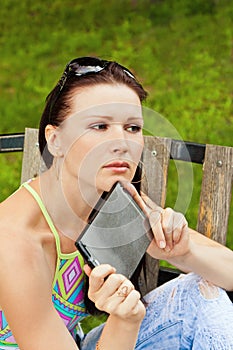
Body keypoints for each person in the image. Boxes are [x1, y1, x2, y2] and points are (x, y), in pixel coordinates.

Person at [0, 56, 232, 350]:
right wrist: (125, 322)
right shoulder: (13, 241)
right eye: (99, 126)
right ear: (55, 140)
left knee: (200, 292)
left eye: (133, 128)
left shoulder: (111, 202)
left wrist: (183, 251)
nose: (121, 142)